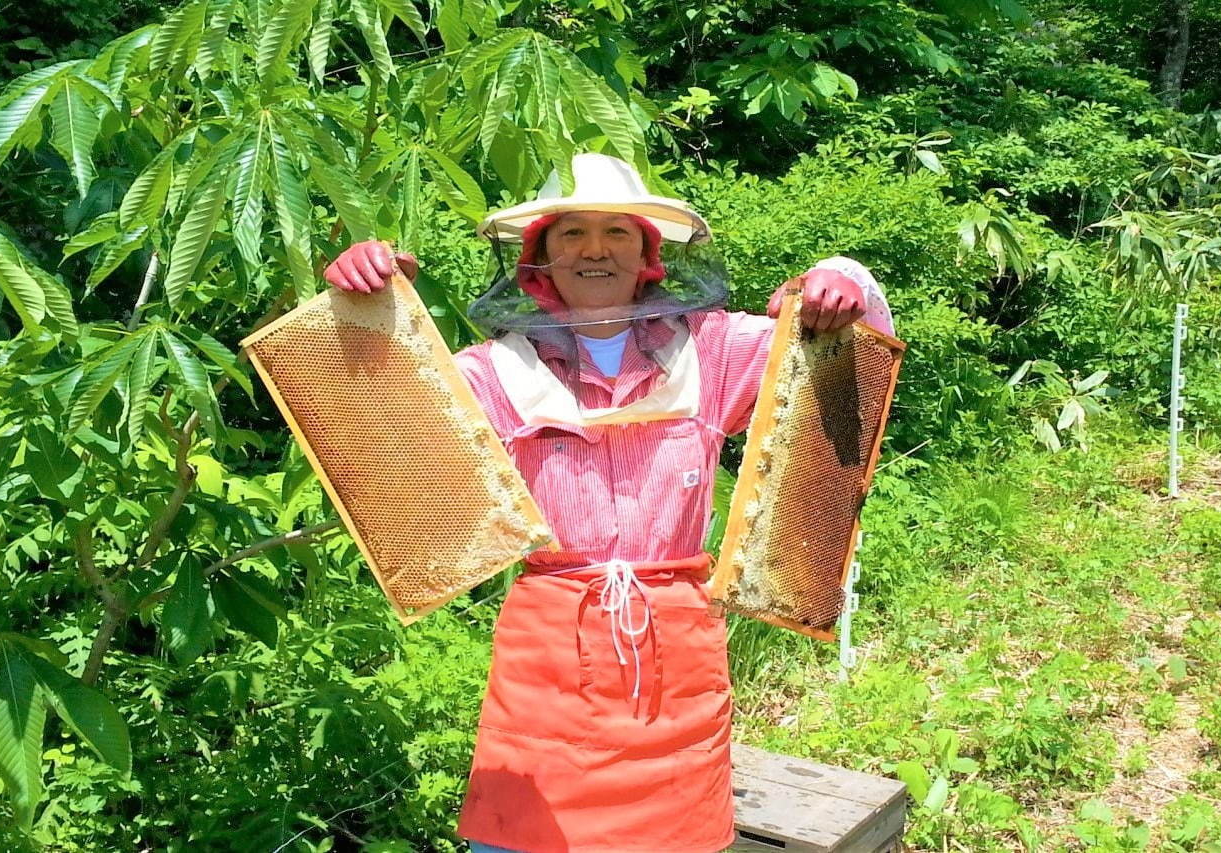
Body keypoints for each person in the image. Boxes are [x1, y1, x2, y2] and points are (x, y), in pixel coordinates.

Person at [322, 154, 894, 853]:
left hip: (674, 644)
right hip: (548, 649)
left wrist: (838, 283)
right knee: (523, 840)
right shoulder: (487, 371)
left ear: (648, 255)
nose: (594, 249)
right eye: (570, 234)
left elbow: (846, 347)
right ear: (539, 259)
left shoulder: (710, 352)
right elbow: (380, 432)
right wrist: (365, 314)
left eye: (616, 232)